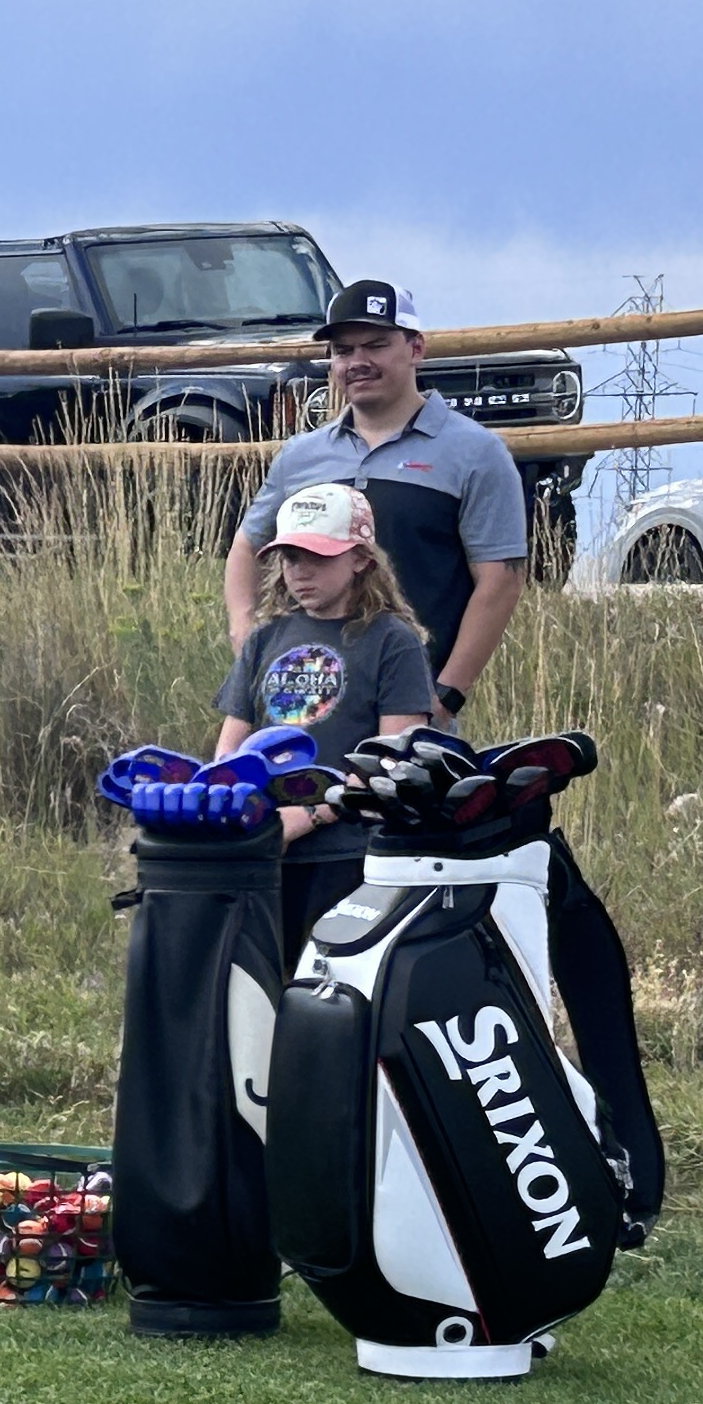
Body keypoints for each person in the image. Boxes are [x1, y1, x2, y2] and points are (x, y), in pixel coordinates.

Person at [228, 279, 527, 708]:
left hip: (408, 703)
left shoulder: (477, 453)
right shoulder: (300, 456)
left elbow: (500, 582)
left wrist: (446, 695)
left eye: (375, 345)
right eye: (343, 351)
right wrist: (246, 642)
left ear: (416, 348)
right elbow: (247, 547)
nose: (357, 362)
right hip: (302, 700)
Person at [218, 483, 435, 960]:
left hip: (349, 854)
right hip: (262, 851)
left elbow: (390, 762)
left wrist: (306, 816)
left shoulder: (391, 641)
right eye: (290, 558)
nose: (300, 572)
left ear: (360, 559)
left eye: (318, 557)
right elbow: (229, 750)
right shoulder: (266, 637)